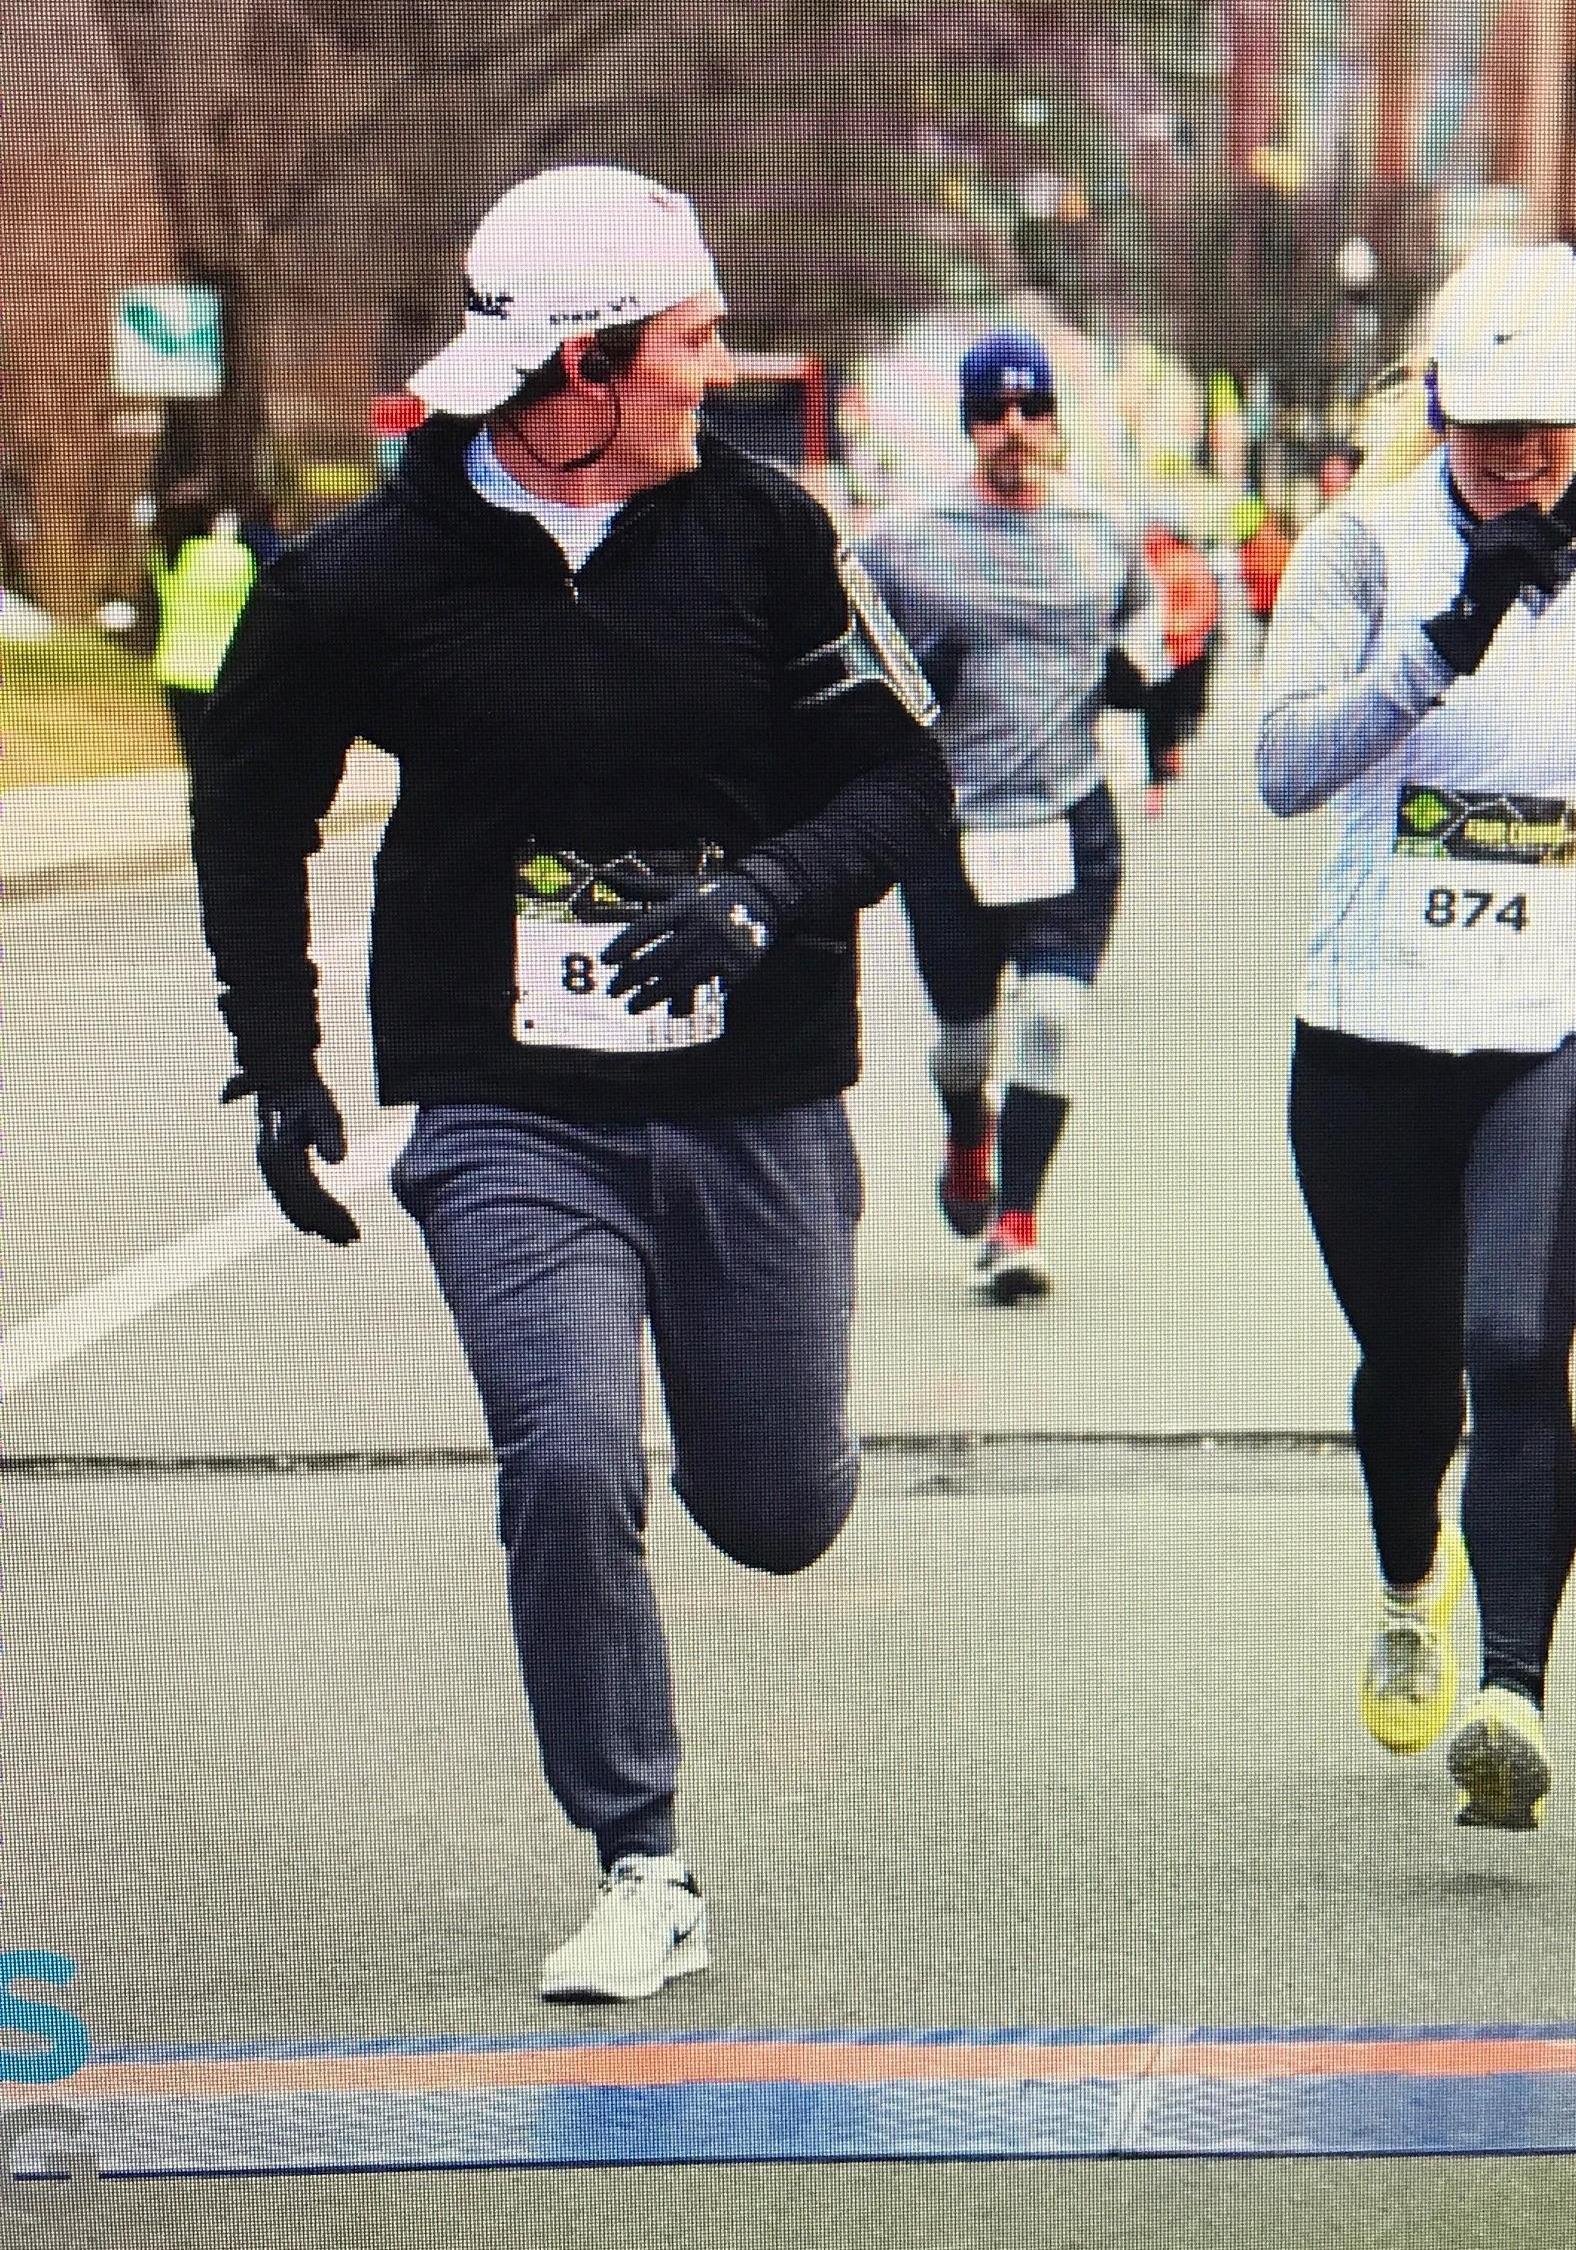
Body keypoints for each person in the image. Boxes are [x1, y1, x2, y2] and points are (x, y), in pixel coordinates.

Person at [187, 165, 949, 2000]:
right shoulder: (366, 578)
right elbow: (247, 804)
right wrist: (282, 1059)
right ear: (586, 368)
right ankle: (641, 1858)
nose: (721, 369)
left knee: (777, 1513)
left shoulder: (768, 537)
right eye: (692, 342)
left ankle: (751, 1435)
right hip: (509, 1105)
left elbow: (905, 785)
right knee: (571, 1456)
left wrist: (764, 898)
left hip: (754, 1093)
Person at [1257, 241, 1576, 1832]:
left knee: (1514, 1341)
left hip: (1560, 1023)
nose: (1516, 456)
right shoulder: (1357, 550)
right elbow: (1282, 767)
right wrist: (1436, 644)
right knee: (1409, 1370)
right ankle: (1411, 1572)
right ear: (1435, 403)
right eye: (1484, 425)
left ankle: (1511, 1695)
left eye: (1547, 423)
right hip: (1369, 1031)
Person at [858, 328, 1166, 1305]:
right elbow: (854, 650)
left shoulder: (1104, 530)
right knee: (966, 1038)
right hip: (952, 824)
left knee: (1054, 1013)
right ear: (967, 425)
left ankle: (1017, 1222)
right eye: (993, 412)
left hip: (1070, 814)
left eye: (1033, 410)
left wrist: (1136, 676)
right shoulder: (905, 539)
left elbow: (1145, 620)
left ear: (1057, 422)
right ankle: (965, 1127)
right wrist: (907, 687)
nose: (1015, 430)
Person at [148, 493, 257, 764]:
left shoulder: (171, 558)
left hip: (177, 670)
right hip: (224, 670)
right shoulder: (239, 558)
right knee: (224, 752)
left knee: (194, 753)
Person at [1140, 518, 1222, 809]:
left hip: (1182, 654)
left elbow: (1205, 605)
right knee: (1153, 716)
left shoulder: (1189, 562)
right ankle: (1155, 783)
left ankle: (1168, 757)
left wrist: (1172, 630)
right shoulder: (1140, 565)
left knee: (1173, 711)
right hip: (1150, 657)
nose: (1151, 535)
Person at [1238, 505, 1295, 635]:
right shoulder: (1254, 546)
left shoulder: (1253, 547)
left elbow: (1251, 573)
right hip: (1273, 605)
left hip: (1270, 606)